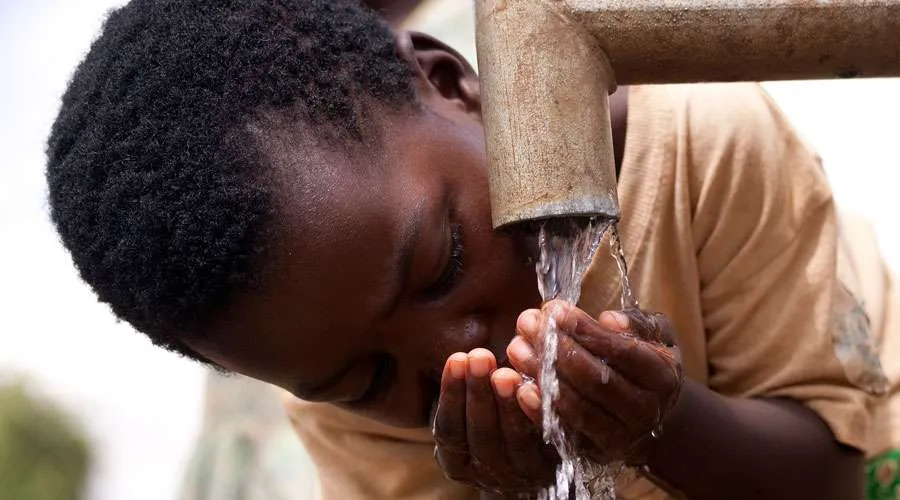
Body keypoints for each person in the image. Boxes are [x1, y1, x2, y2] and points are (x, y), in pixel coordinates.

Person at [45, 0, 892, 498]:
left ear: (452, 84)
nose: (457, 353)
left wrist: (660, 424)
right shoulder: (333, 400)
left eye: (442, 265)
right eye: (369, 380)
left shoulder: (697, 148)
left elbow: (830, 483)